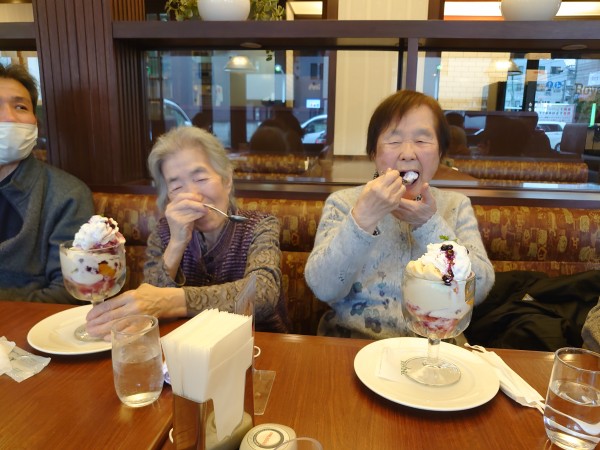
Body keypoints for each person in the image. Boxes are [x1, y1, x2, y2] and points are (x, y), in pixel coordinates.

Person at [304, 90, 495, 339]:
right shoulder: (343, 203)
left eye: (422, 140)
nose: (407, 153)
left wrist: (429, 224)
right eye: (393, 141)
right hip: (354, 344)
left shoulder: (455, 206)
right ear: (374, 153)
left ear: (440, 153)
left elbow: (479, 290)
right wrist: (362, 218)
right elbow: (323, 288)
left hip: (436, 347)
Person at [86, 126, 289, 339]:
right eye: (176, 187)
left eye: (201, 179)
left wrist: (171, 301)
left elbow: (263, 294)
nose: (192, 195)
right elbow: (148, 306)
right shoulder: (164, 233)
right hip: (186, 346)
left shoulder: (259, 225)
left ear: (227, 180)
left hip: (261, 344)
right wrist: (177, 243)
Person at [0, 63, 94, 303]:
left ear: (35, 124)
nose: (9, 117)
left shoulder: (67, 194)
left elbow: (71, 291)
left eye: (20, 107)